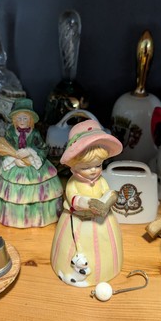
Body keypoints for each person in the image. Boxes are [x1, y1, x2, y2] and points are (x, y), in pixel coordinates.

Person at [50, 119, 124, 287]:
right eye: (86, 167)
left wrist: (110, 197)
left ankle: (106, 268)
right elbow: (73, 199)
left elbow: (107, 192)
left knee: (106, 248)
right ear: (73, 166)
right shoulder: (73, 183)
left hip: (102, 222)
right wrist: (87, 202)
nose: (93, 170)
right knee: (72, 247)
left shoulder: (101, 181)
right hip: (77, 221)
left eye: (97, 165)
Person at [0, 98, 63, 228]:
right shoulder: (10, 132)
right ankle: (13, 217)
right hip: (13, 163)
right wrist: (14, 158)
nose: (22, 122)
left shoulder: (34, 134)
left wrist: (29, 152)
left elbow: (43, 148)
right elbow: (5, 148)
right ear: (14, 120)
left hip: (32, 164)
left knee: (37, 191)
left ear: (30, 120)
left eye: (25, 118)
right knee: (13, 192)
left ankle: (36, 217)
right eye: (19, 118)